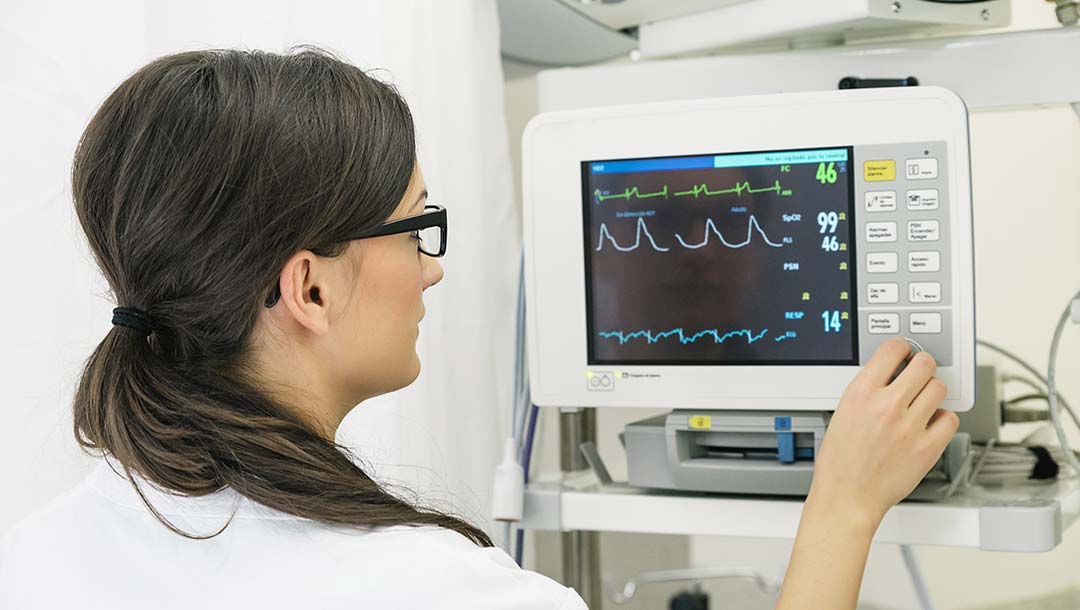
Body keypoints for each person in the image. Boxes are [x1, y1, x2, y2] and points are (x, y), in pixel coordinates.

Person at [0, 48, 958, 609]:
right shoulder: (441, 593)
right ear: (310, 290)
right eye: (416, 228)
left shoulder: (40, 554)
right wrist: (844, 506)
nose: (434, 266)